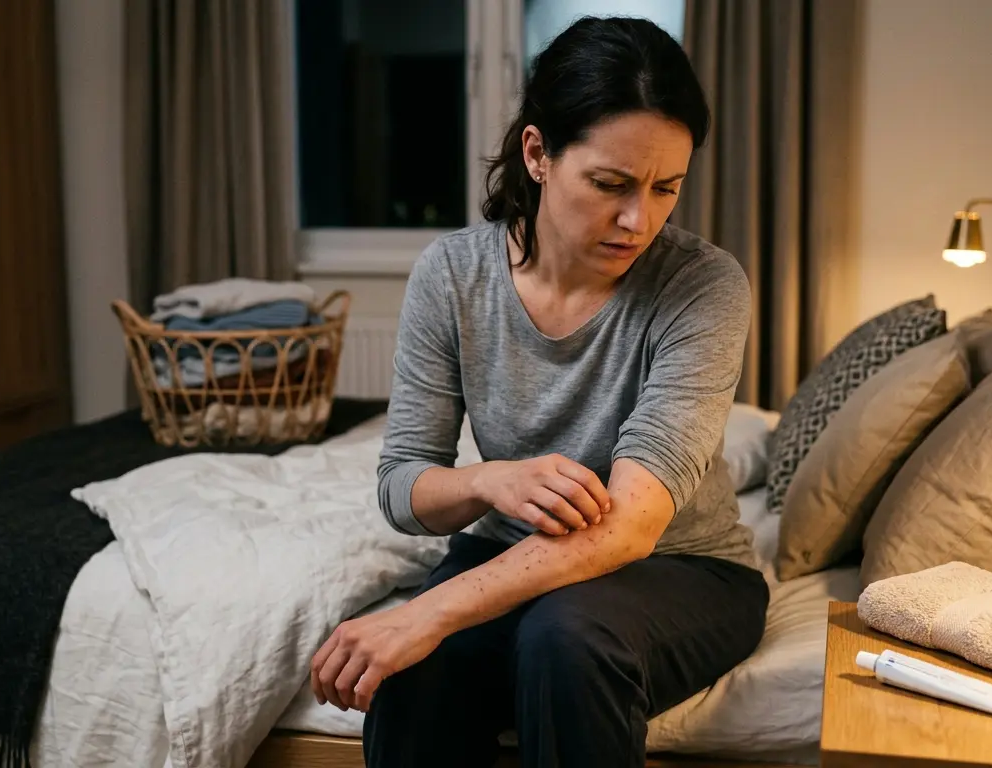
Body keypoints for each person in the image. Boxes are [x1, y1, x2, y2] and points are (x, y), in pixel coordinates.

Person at [309, 15, 768, 768]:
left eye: (666, 189)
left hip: (683, 568)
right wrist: (490, 481)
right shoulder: (453, 276)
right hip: (510, 550)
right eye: (611, 184)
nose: (640, 219)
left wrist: (428, 611)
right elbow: (401, 487)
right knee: (414, 675)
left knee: (564, 639)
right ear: (537, 154)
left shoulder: (702, 286)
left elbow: (629, 528)